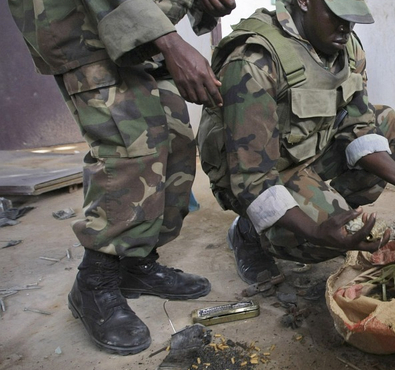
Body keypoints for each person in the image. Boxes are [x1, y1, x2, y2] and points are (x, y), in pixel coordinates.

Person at [8, 0, 237, 355]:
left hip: (142, 32)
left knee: (175, 144)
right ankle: (94, 282)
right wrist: (170, 40)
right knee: (131, 151)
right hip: (87, 28)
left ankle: (136, 263)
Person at [198, 0, 395, 287]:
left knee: (387, 121)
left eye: (351, 19)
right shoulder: (254, 61)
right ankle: (250, 232)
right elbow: (252, 179)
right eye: (337, 16)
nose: (346, 28)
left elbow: (359, 128)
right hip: (257, 174)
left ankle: (329, 213)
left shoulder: (346, 47)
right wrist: (315, 230)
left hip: (304, 151)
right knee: (327, 239)